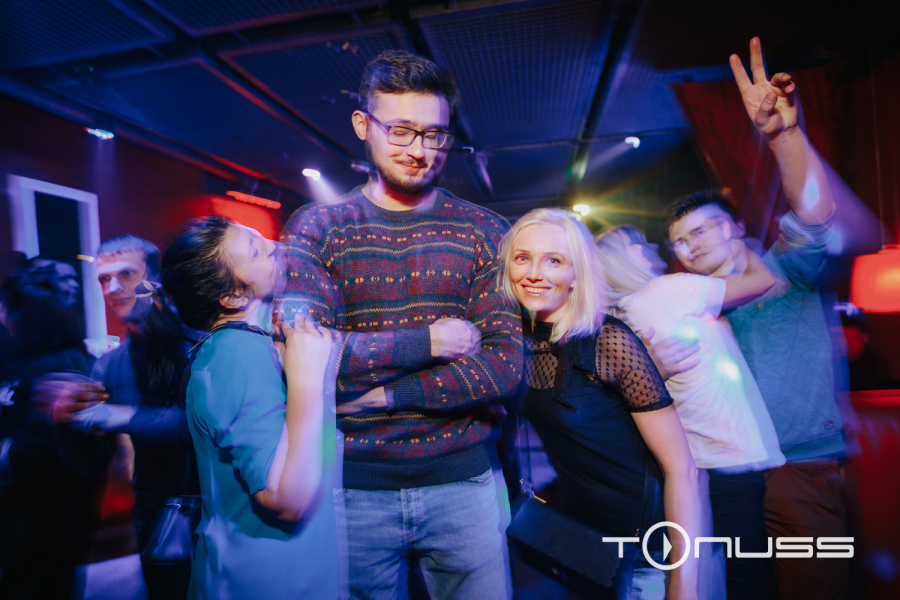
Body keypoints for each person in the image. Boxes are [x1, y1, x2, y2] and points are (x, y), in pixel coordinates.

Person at [277, 49, 523, 599]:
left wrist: (381, 397)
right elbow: (302, 357)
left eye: (435, 135)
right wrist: (427, 342)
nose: (419, 150)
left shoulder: (484, 229)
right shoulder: (318, 227)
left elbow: (504, 367)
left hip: (465, 482)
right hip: (351, 487)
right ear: (363, 125)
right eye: (402, 131)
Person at [659, 37, 863, 599]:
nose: (693, 244)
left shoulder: (784, 268)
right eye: (681, 241)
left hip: (800, 468)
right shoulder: (692, 306)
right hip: (730, 479)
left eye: (704, 227)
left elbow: (814, 212)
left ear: (736, 228)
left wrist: (781, 136)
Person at [498, 208, 702, 599]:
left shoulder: (608, 340)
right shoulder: (521, 343)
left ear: (578, 274)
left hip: (643, 551)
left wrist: (684, 583)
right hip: (585, 545)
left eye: (555, 260)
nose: (535, 273)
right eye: (523, 258)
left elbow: (683, 470)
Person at [143, 215, 339, 598]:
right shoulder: (236, 354)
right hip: (266, 580)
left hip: (283, 572)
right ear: (233, 297)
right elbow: (286, 500)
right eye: (256, 250)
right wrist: (308, 378)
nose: (275, 245)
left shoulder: (248, 346)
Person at [596, 224, 786, 599]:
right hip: (730, 454)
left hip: (688, 464)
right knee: (746, 576)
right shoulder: (669, 290)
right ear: (621, 260)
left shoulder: (619, 321)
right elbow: (761, 280)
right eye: (638, 243)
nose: (650, 245)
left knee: (706, 571)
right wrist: (738, 243)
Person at [40, 235, 200, 599]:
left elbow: (204, 424)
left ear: (156, 280)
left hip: (221, 511)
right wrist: (63, 422)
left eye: (126, 274)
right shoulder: (109, 365)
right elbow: (91, 463)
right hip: (155, 518)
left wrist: (121, 415)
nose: (112, 288)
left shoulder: (200, 344)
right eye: (103, 279)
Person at [0, 262, 111, 599]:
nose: (2, 317)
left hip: (49, 506)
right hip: (27, 504)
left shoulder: (63, 363)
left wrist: (7, 454)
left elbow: (81, 452)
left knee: (41, 582)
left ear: (27, 313)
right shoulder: (23, 355)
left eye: (5, 309)